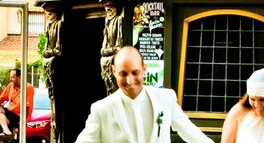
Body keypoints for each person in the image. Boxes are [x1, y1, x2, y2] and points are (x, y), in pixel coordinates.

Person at [75, 46, 213, 143]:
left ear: (144, 69)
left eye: (135, 72)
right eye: (123, 74)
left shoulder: (166, 98)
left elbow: (191, 133)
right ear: (113, 71)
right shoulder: (101, 109)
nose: (129, 81)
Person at [0, 68, 34, 142]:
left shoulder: (28, 87)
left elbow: (27, 106)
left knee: (3, 120)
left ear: (20, 77)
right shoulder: (10, 85)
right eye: (10, 77)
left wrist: (24, 121)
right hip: (10, 111)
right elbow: (2, 98)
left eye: (13, 77)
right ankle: (6, 131)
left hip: (20, 115)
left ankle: (7, 135)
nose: (10, 79)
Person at [42, 5, 63, 143]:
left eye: (51, 13)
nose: (49, 16)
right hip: (51, 61)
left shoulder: (59, 25)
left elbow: (58, 49)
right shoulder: (49, 26)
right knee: (52, 95)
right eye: (47, 14)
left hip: (57, 65)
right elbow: (46, 48)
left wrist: (50, 52)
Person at [100, 0, 123, 95]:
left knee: (113, 85)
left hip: (112, 58)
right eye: (106, 9)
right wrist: (104, 50)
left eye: (110, 8)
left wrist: (108, 50)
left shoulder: (118, 20)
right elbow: (103, 45)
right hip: (105, 58)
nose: (108, 11)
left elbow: (119, 46)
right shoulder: (107, 22)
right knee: (107, 84)